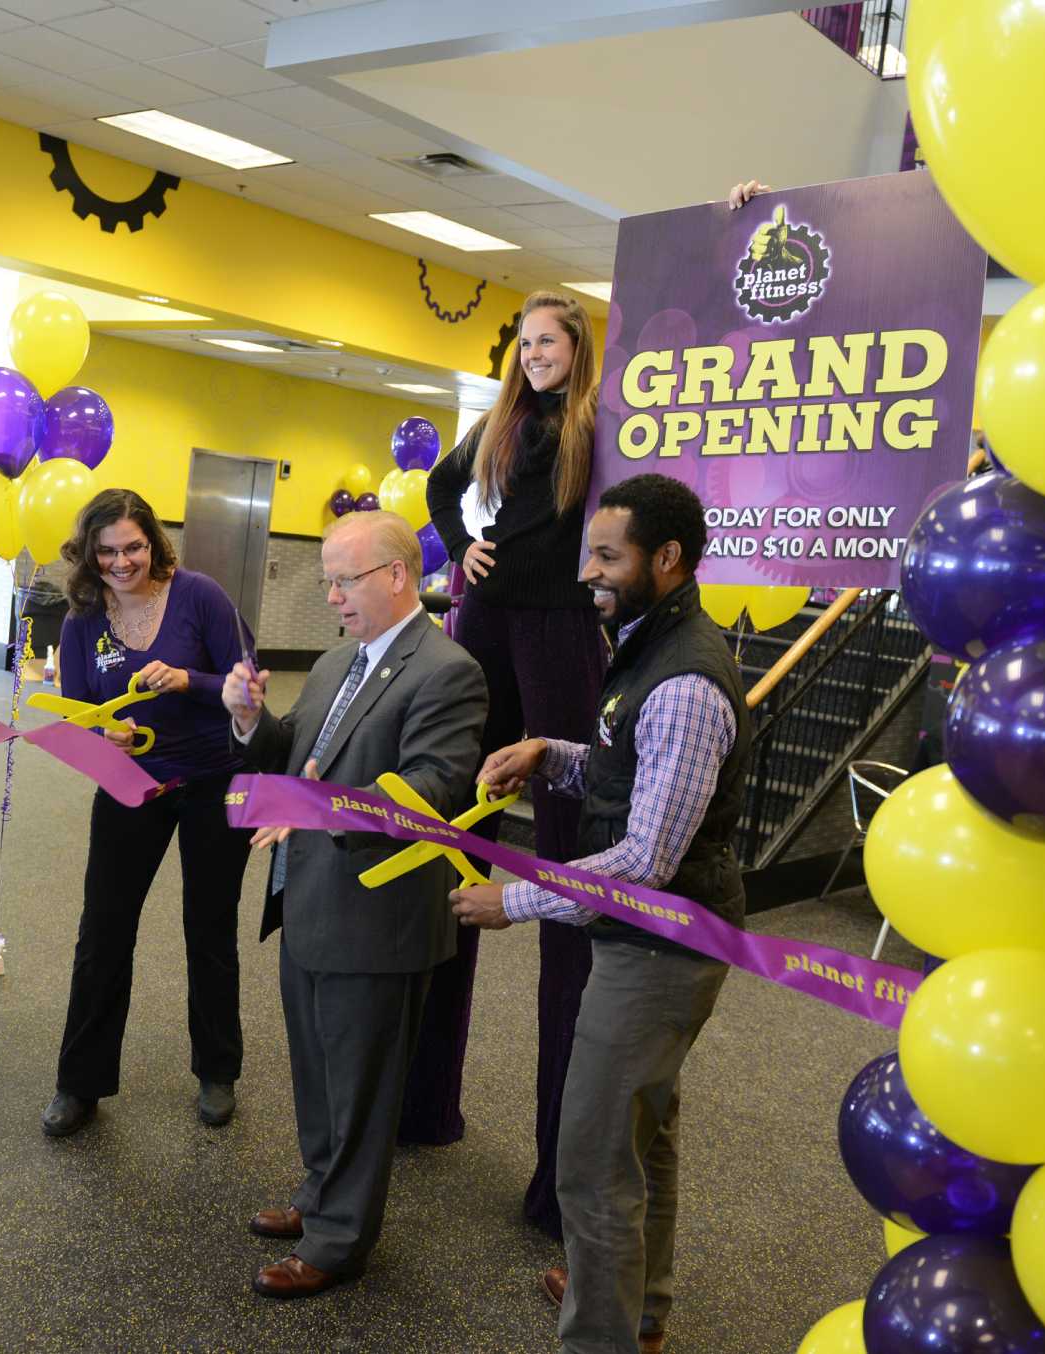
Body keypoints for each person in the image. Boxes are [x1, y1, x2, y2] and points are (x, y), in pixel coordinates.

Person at [452, 473, 751, 1354]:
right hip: (645, 941)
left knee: (590, 1163)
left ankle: (603, 1335)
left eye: (608, 557)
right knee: (640, 1140)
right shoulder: (644, 645)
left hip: (660, 947)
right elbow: (628, 771)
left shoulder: (687, 681)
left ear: (668, 560)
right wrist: (553, 754)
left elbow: (644, 862)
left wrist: (516, 899)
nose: (589, 573)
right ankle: (635, 1308)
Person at [221, 510, 487, 1300]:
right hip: (310, 900)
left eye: (343, 580)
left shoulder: (448, 670)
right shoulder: (342, 662)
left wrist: (317, 809)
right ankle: (318, 1196)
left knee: (362, 1088)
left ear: (397, 576)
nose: (331, 595)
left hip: (379, 916)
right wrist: (248, 720)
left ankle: (340, 1241)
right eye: (328, 580)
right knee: (317, 1070)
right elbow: (296, 755)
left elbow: (432, 790)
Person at [416, 288, 610, 1228]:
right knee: (458, 832)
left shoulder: (599, 425)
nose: (536, 354)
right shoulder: (499, 420)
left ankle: (556, 1177)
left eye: (550, 341)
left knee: (570, 856)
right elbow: (439, 489)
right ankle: (424, 1104)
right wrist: (463, 549)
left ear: (579, 347)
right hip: (488, 618)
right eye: (526, 342)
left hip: (562, 630)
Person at [41, 488, 256, 1138]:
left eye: (133, 547)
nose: (122, 562)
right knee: (103, 932)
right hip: (131, 785)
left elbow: (246, 683)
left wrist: (192, 680)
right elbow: (78, 710)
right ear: (90, 555)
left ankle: (218, 1069)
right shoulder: (82, 619)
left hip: (214, 780)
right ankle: (79, 1083)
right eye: (107, 551)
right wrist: (101, 735)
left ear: (153, 543)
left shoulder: (200, 596)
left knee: (210, 926)